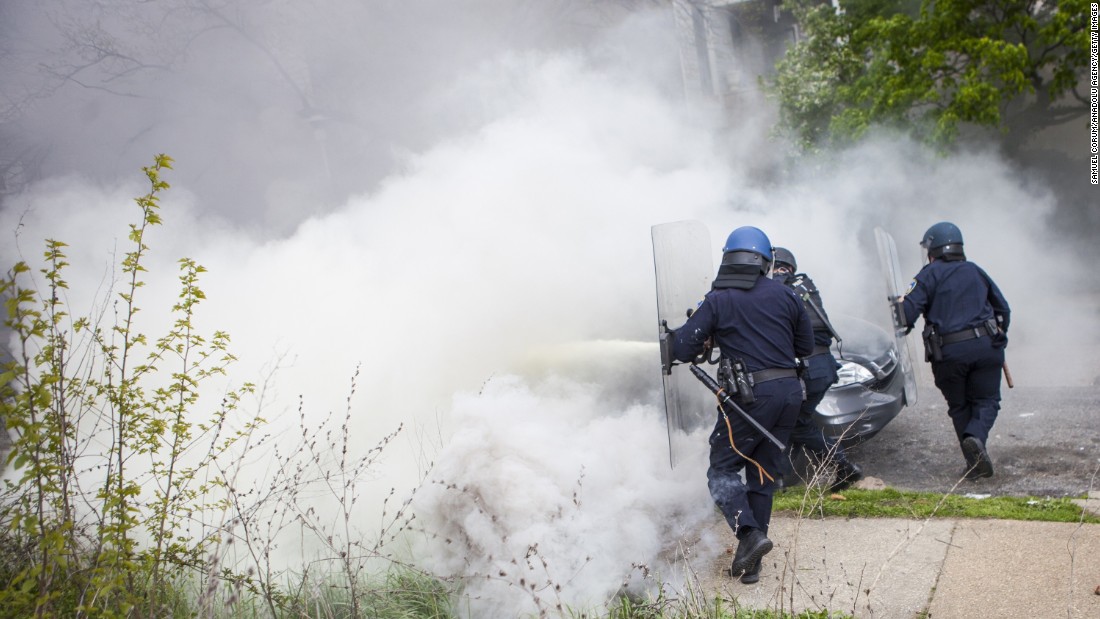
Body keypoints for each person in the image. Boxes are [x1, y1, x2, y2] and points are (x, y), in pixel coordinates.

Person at [671, 226, 813, 584]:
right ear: (765, 261)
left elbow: (684, 348)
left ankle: (748, 533)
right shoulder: (787, 295)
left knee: (721, 471)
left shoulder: (717, 298)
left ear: (728, 258)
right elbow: (805, 348)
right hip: (789, 394)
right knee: (761, 475)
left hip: (749, 399)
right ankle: (753, 562)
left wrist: (701, 336)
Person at [898, 222, 1010, 480]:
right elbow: (1003, 309)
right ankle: (976, 438)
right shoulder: (975, 271)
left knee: (960, 406)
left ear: (932, 249)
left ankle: (973, 462)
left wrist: (899, 304)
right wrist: (1001, 336)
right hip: (986, 347)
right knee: (987, 401)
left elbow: (905, 317)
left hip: (949, 353)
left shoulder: (927, 275)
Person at [771, 247, 864, 492]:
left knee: (793, 423)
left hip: (809, 369)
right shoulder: (805, 287)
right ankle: (779, 479)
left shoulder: (778, 288)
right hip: (822, 366)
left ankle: (844, 466)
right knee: (790, 421)